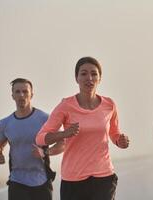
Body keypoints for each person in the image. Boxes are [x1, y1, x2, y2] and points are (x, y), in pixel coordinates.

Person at [36, 56, 130, 200]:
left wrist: (120, 141)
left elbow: (114, 133)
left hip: (103, 176)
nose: (89, 78)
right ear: (76, 78)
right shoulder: (65, 106)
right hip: (74, 179)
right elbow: (41, 137)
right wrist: (64, 134)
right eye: (84, 73)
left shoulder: (109, 105)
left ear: (100, 78)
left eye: (94, 74)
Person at [0, 78, 64, 200]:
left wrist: (46, 152)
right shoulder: (6, 123)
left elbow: (63, 142)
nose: (21, 95)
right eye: (18, 92)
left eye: (25, 91)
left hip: (41, 181)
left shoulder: (45, 119)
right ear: (12, 96)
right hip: (17, 182)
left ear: (31, 94)